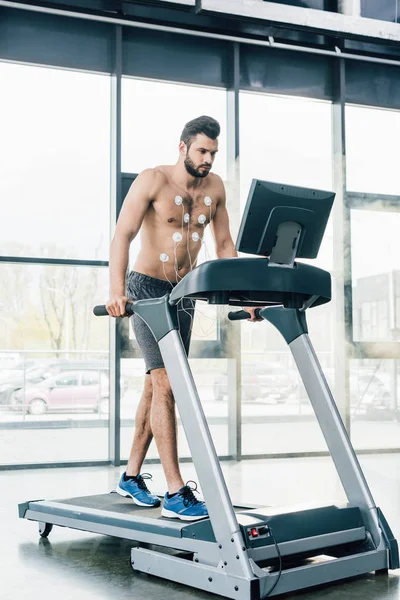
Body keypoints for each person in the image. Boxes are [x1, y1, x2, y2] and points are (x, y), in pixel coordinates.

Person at [106, 115, 259, 521]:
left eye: (212, 152)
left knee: (155, 388)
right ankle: (176, 490)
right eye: (201, 151)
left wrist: (247, 296)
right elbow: (123, 234)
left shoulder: (215, 188)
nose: (207, 159)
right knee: (167, 384)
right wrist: (116, 291)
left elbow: (224, 243)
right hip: (146, 291)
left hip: (184, 294)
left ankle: (131, 476)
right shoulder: (153, 180)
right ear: (183, 147)